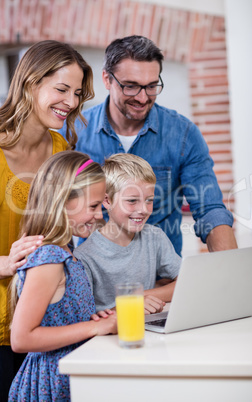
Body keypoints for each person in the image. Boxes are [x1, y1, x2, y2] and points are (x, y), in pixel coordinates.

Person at [59, 35, 237, 256]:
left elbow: (210, 210)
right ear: (107, 79)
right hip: (94, 277)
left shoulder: (183, 134)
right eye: (131, 86)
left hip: (162, 279)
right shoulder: (72, 133)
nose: (143, 98)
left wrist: (233, 271)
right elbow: (54, 210)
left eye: (151, 86)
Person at [0, 40, 94, 401]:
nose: (71, 103)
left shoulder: (61, 151)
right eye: (61, 89)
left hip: (44, 331)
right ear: (30, 83)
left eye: (77, 93)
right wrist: (6, 263)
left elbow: (63, 239)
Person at [8, 150, 117, 402]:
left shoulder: (66, 253)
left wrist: (91, 319)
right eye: (93, 206)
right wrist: (95, 327)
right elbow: (22, 338)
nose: (100, 215)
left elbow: (59, 318)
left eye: (100, 205)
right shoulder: (49, 258)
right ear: (62, 201)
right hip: (53, 381)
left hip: (71, 370)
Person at [74, 153, 181, 314]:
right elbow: (84, 319)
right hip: (107, 336)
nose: (144, 210)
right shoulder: (84, 257)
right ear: (107, 201)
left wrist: (141, 296)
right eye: (132, 201)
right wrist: (129, 304)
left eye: (149, 200)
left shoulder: (154, 237)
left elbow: (187, 281)